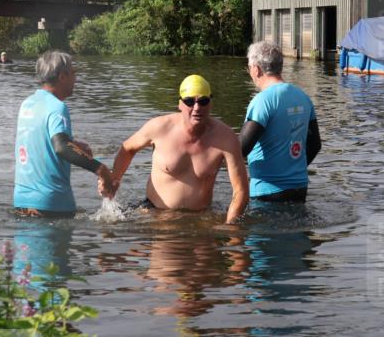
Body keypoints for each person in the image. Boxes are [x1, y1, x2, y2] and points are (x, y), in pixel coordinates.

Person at [104, 74, 249, 224]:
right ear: (180, 104)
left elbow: (241, 191)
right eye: (189, 101)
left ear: (211, 103)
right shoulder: (159, 127)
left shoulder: (226, 138)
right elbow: (127, 148)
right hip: (154, 214)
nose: (197, 108)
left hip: (200, 219)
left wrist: (230, 225)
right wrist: (114, 180)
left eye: (203, 101)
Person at [13, 50, 115, 218]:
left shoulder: (27, 104)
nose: (75, 79)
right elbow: (60, 147)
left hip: (21, 203)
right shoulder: (57, 107)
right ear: (62, 77)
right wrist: (101, 170)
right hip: (52, 205)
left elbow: (38, 139)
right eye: (73, 73)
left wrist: (73, 143)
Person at [239, 41, 322, 202]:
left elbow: (241, 148)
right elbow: (315, 145)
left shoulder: (263, 101)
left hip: (267, 191)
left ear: (256, 69)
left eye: (249, 68)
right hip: (299, 188)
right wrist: (292, 171)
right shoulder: (303, 97)